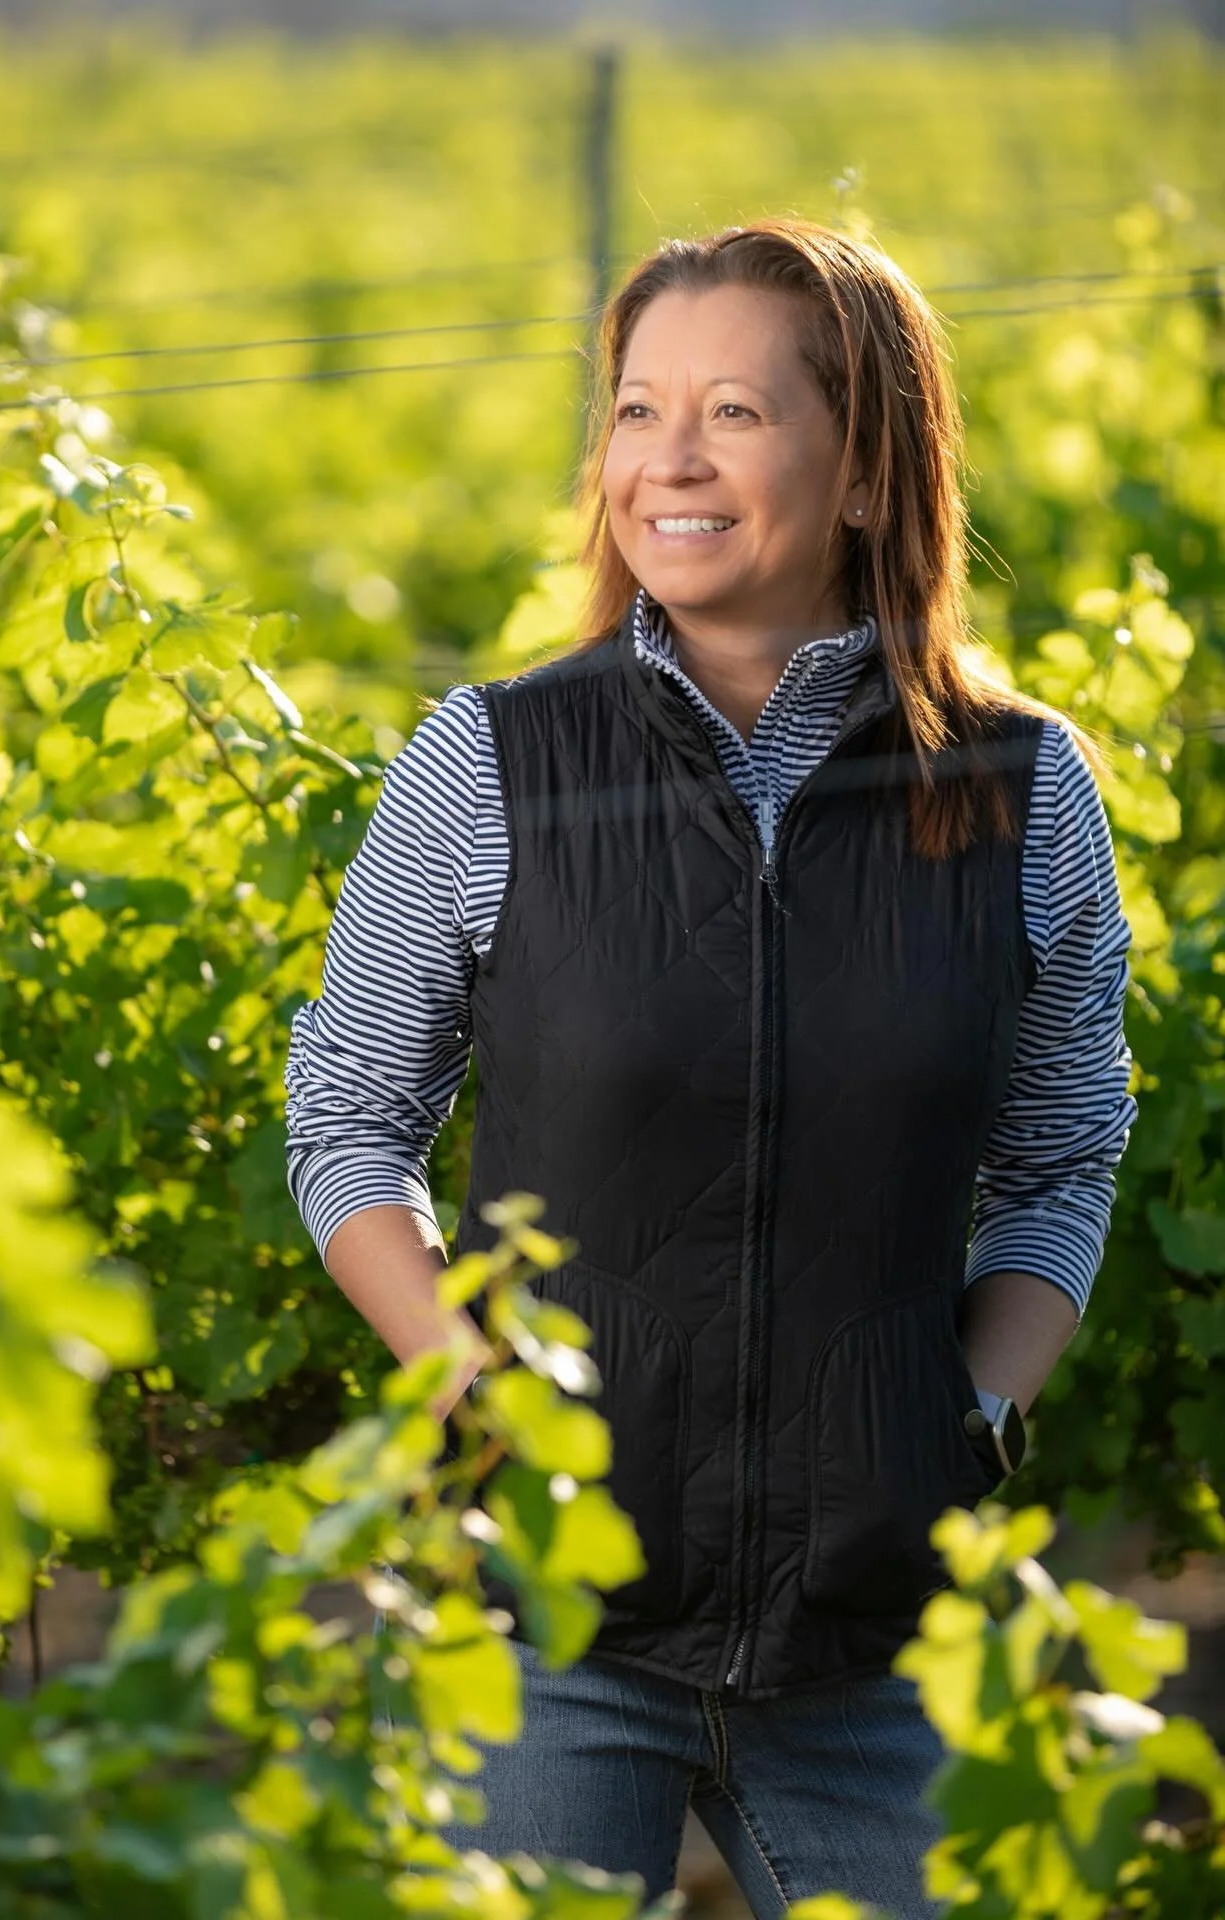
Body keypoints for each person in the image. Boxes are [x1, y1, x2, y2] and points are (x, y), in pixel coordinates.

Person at [282, 219, 1135, 1919]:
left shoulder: (1027, 792)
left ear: (871, 466)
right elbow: (347, 1127)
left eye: (734, 412)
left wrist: (965, 1420)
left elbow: (1062, 1157)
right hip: (550, 1623)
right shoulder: (489, 761)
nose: (666, 460)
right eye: (635, 409)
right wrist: (477, 1392)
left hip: (874, 1636)